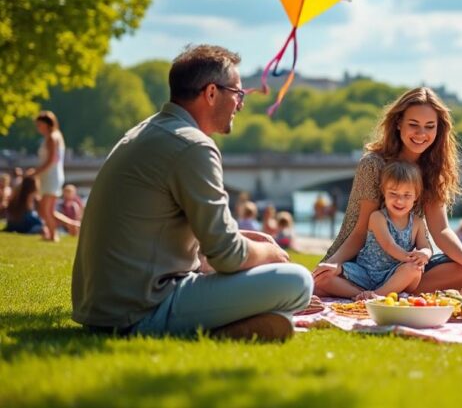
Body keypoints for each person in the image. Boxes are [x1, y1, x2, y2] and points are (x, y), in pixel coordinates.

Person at [71, 45, 312, 341]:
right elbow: (227, 256)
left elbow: (202, 246)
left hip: (104, 307)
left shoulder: (146, 133)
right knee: (298, 281)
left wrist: (246, 242)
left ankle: (239, 326)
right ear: (211, 93)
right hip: (140, 310)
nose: (241, 104)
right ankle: (219, 331)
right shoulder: (193, 145)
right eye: (238, 93)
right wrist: (269, 252)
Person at [314, 87, 462, 296]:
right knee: (321, 281)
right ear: (398, 123)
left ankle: (381, 291)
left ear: (439, 129)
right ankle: (381, 293)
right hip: (359, 263)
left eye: (429, 127)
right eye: (413, 125)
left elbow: (441, 230)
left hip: (406, 267)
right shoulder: (373, 165)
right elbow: (360, 231)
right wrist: (331, 265)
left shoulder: (435, 170)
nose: (421, 134)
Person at [325, 161, 433, 299]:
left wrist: (424, 254)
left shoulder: (417, 222)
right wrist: (410, 257)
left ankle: (377, 295)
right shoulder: (378, 217)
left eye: (407, 195)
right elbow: (389, 245)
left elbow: (425, 246)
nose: (399, 201)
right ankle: (363, 295)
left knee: (414, 269)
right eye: (393, 194)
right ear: (384, 192)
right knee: (324, 278)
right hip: (365, 272)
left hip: (393, 275)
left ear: (416, 196)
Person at [27, 111, 65, 241]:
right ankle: (54, 233)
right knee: (48, 210)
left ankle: (53, 235)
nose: (38, 127)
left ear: (47, 124)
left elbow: (51, 160)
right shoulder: (55, 136)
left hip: (50, 176)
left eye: (39, 124)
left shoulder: (52, 138)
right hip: (52, 175)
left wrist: (35, 172)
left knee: (44, 209)